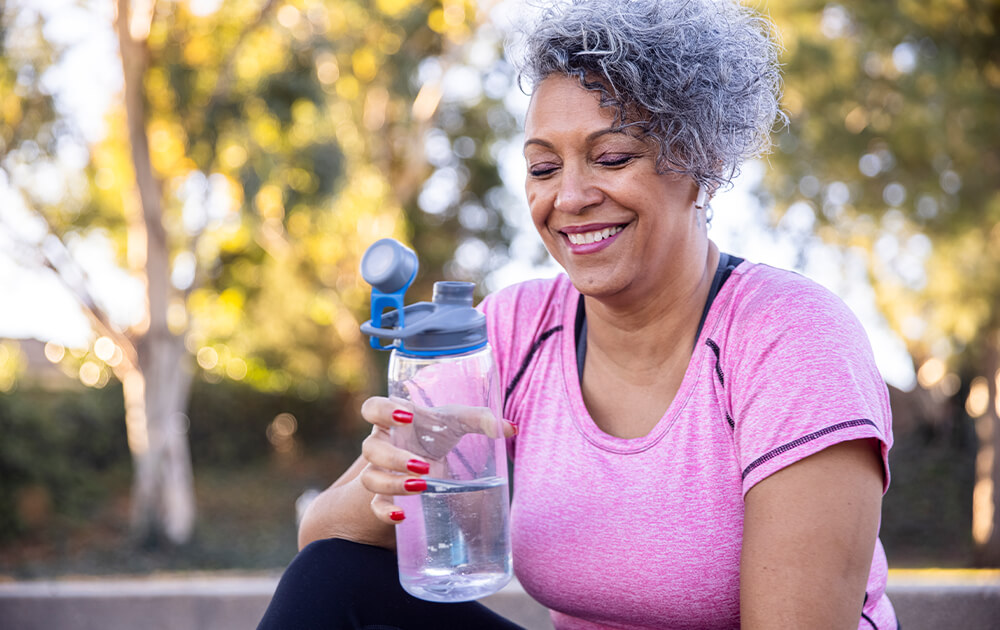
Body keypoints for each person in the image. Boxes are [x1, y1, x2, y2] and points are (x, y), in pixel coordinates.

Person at [258, 0, 898, 628]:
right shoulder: (513, 330)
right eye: (543, 167)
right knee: (333, 582)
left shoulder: (792, 339)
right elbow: (322, 548)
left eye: (612, 157)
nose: (569, 197)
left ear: (702, 165)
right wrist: (393, 473)